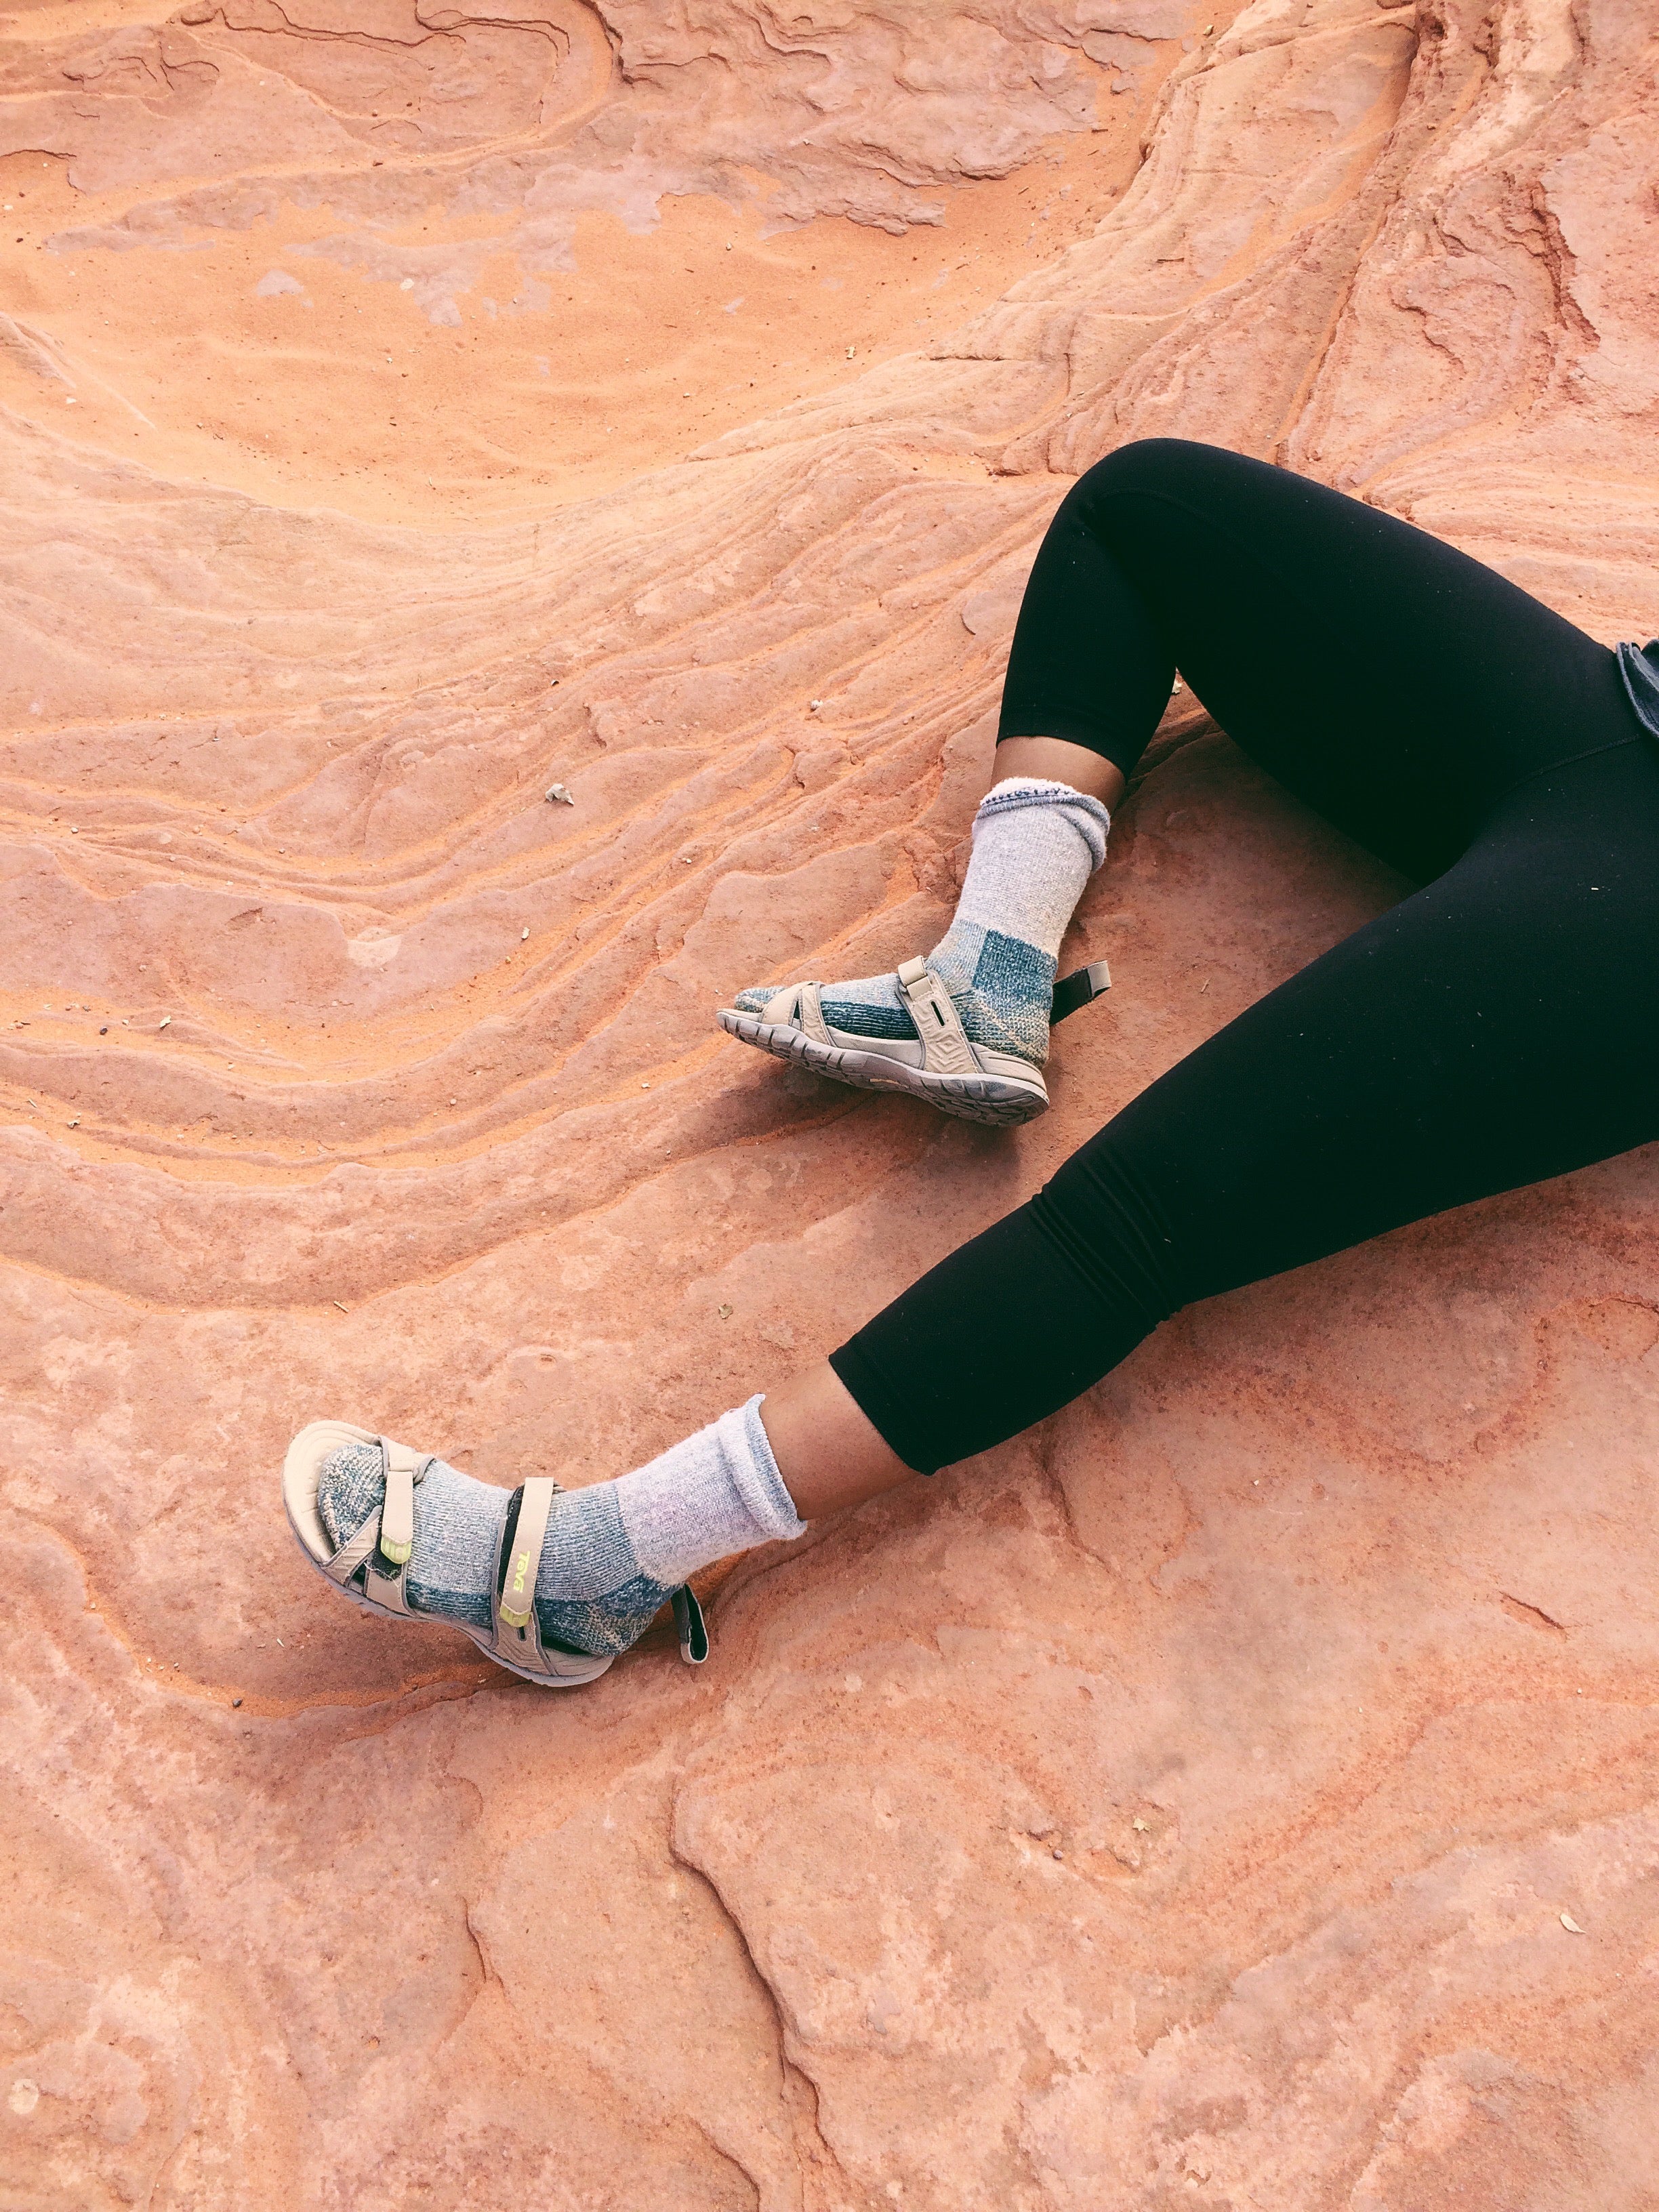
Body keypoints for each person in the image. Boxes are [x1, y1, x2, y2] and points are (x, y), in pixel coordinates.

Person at [283, 438, 1659, 1688]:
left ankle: (594, 1569)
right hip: (1615, 728)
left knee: (1140, 1221)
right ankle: (986, 980)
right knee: (1147, 511)